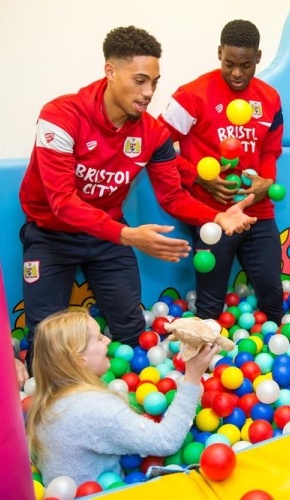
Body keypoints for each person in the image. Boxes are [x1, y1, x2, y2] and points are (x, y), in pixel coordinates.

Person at [19, 26, 257, 370]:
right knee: (45, 340)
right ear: (110, 71)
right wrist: (128, 235)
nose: (148, 93)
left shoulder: (153, 134)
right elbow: (62, 202)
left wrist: (214, 216)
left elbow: (173, 196)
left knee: (132, 332)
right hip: (51, 235)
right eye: (140, 81)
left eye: (155, 83)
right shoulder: (61, 116)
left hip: (108, 236)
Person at [158, 20, 284, 324]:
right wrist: (197, 177)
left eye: (245, 64)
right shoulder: (191, 95)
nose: (237, 73)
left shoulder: (270, 99)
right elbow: (157, 148)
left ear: (258, 57)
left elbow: (270, 149)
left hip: (257, 211)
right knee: (210, 305)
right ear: (219, 54)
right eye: (229, 63)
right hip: (212, 214)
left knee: (273, 294)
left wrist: (266, 181)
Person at [26, 308, 219, 485]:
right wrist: (192, 377)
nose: (108, 341)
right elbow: (166, 440)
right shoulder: (95, 406)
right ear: (80, 359)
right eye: (99, 338)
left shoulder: (46, 402)